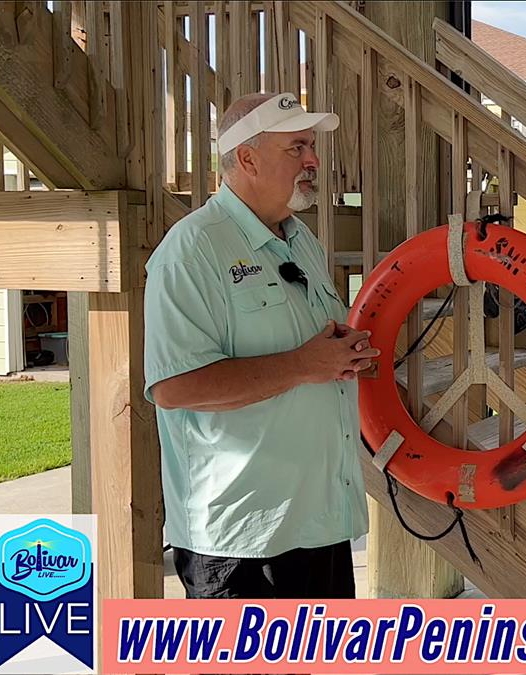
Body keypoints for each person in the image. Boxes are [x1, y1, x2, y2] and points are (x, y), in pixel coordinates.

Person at [144, 93, 377, 599]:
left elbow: (313, 352)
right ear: (246, 158)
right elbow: (174, 387)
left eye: (312, 147)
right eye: (297, 147)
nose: (313, 160)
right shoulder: (191, 251)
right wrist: (303, 365)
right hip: (239, 544)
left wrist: (341, 354)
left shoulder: (302, 241)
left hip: (317, 525)